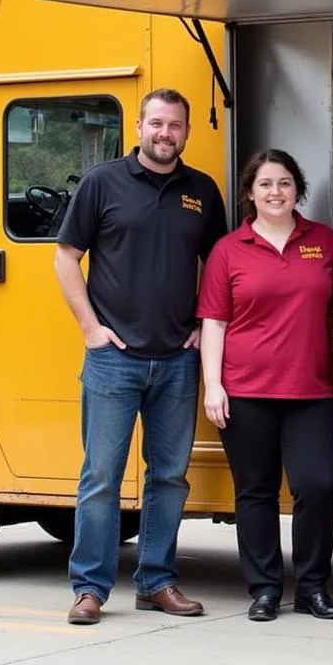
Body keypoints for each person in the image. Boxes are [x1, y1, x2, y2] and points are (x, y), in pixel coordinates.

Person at [54, 88, 227, 625]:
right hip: (114, 360)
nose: (164, 134)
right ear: (138, 126)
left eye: (174, 125)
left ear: (186, 132)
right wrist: (90, 328)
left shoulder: (201, 191)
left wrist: (202, 325)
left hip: (177, 360)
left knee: (170, 476)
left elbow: (220, 268)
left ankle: (157, 581)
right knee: (101, 476)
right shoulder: (101, 183)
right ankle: (90, 589)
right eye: (156, 123)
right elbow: (66, 257)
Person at [197, 149, 333, 623]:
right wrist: (213, 385)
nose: (275, 192)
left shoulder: (324, 241)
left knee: (316, 486)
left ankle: (312, 588)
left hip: (311, 390)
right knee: (255, 492)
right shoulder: (229, 250)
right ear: (250, 193)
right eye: (265, 184)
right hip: (245, 390)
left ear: (298, 189)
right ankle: (263, 589)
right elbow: (214, 323)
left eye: (284, 183)